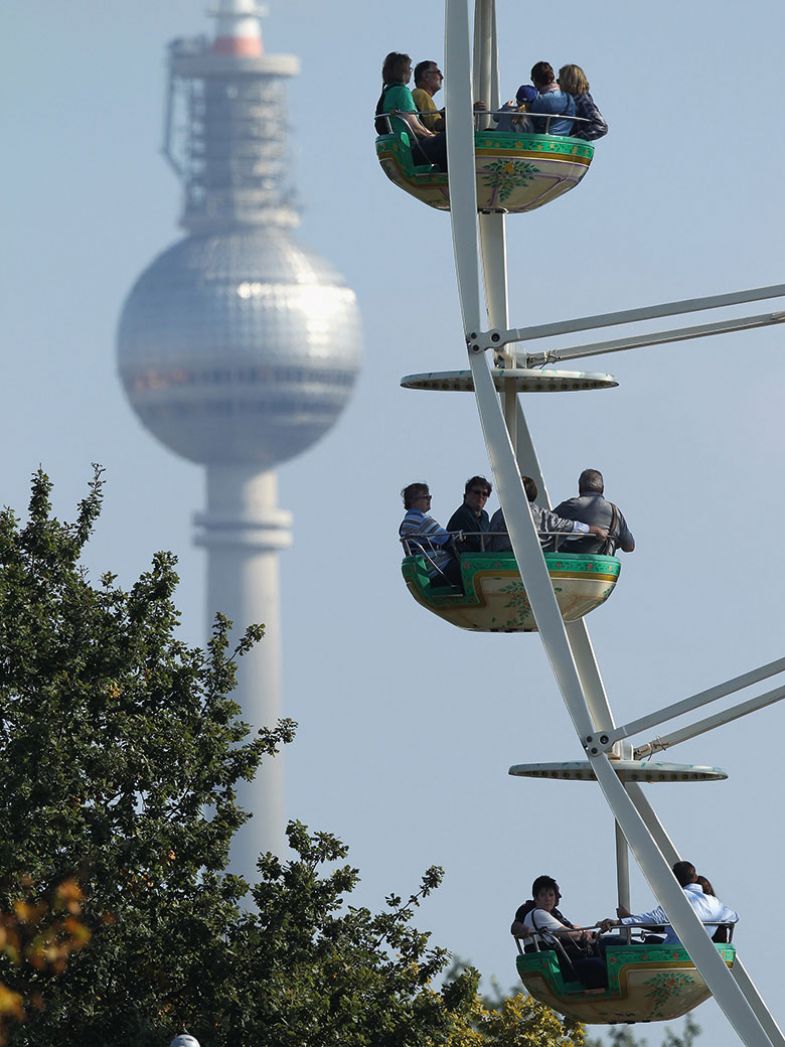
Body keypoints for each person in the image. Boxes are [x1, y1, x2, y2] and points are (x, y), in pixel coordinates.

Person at [598, 860, 738, 946]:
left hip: (676, 953)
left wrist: (619, 922)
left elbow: (654, 919)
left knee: (606, 942)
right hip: (698, 952)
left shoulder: (678, 899)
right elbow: (734, 917)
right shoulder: (715, 903)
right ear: (695, 877)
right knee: (651, 939)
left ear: (674, 881)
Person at [512, 875, 606, 988]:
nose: (548, 898)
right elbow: (569, 933)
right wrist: (584, 935)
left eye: (551, 895)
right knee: (603, 956)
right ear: (536, 898)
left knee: (601, 946)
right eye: (543, 895)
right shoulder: (536, 912)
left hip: (563, 956)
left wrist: (588, 932)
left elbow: (570, 926)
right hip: (560, 963)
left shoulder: (553, 913)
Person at [488, 476, 607, 552]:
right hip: (522, 561)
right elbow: (565, 526)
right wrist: (594, 530)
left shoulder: (499, 513)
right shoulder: (535, 513)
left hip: (497, 559)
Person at [375, 52, 447, 171]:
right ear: (402, 71)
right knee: (450, 140)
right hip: (411, 148)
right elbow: (414, 126)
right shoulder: (402, 92)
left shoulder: (388, 92)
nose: (410, 71)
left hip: (403, 147)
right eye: (409, 68)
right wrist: (433, 136)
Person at [553, 468, 635, 555]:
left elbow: (547, 523)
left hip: (569, 564)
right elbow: (629, 547)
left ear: (580, 488)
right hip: (602, 566)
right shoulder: (615, 511)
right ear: (602, 489)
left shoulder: (572, 505)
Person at [399, 482, 462, 587]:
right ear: (412, 500)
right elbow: (447, 539)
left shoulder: (405, 523)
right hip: (439, 570)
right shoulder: (421, 520)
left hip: (428, 571)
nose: (429, 499)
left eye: (429, 496)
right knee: (472, 565)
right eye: (425, 496)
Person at [558, 64, 608, 141]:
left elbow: (601, 126)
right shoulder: (570, 99)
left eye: (560, 79)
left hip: (571, 147)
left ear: (568, 81)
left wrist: (575, 139)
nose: (557, 82)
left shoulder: (582, 100)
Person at [528, 61, 575, 135]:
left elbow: (530, 119)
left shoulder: (541, 100)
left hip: (544, 141)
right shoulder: (569, 97)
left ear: (535, 79)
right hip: (564, 140)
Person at [447, 475, 492, 552]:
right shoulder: (463, 514)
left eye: (484, 494)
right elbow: (477, 543)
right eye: (477, 492)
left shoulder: (484, 516)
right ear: (466, 495)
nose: (481, 496)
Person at [411, 60, 445, 132]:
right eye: (438, 73)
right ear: (426, 76)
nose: (442, 77)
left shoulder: (416, 94)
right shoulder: (421, 94)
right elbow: (436, 124)